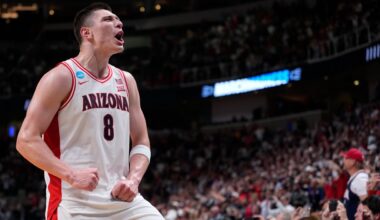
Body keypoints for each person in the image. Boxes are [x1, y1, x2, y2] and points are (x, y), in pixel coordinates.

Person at [16, 2, 164, 219]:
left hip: (122, 201)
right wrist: (72, 175)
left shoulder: (127, 81)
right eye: (108, 20)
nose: (118, 22)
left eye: (118, 19)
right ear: (87, 33)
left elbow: (141, 140)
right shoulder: (61, 77)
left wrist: (133, 180)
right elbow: (26, 140)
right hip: (75, 202)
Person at [342, 148, 369, 220]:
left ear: (353, 162)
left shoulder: (360, 179)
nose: (343, 160)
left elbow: (367, 207)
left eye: (346, 158)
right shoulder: (356, 178)